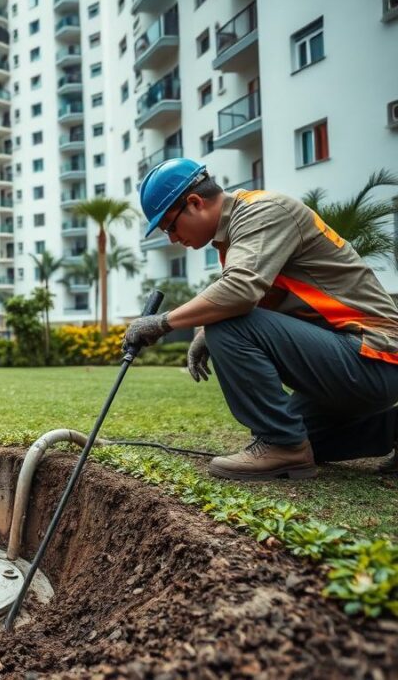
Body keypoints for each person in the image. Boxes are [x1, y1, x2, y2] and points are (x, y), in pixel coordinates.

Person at [123, 157, 398, 481]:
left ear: (194, 203)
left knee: (226, 325)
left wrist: (162, 322)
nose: (172, 238)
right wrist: (201, 335)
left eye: (170, 226)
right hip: (356, 359)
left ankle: (282, 445)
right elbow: (263, 298)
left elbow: (240, 292)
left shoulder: (261, 212)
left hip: (375, 354)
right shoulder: (240, 229)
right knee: (308, 438)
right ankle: (386, 430)